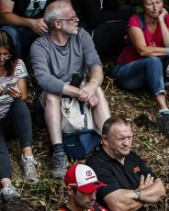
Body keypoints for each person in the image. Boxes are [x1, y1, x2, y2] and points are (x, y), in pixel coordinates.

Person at [30, 1, 110, 179]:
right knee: (52, 94)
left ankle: (109, 142)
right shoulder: (39, 46)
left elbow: (96, 64)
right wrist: (79, 93)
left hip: (78, 91)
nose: (77, 20)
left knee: (98, 91)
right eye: (72, 18)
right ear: (58, 23)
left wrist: (92, 85)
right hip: (50, 102)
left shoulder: (82, 35)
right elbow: (45, 80)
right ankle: (59, 152)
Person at [113, 0, 169, 115]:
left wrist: (162, 21)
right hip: (127, 73)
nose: (154, 8)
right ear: (143, 5)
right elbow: (143, 51)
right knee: (154, 60)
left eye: (158, 2)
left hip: (152, 74)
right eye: (150, 4)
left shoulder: (168, 19)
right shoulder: (135, 21)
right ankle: (163, 109)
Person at [0, 31, 35, 201]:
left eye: (5, 54)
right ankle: (7, 186)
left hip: (10, 120)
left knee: (20, 104)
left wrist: (16, 95)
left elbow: (24, 95)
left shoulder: (17, 64)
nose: (2, 58)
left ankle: (28, 158)